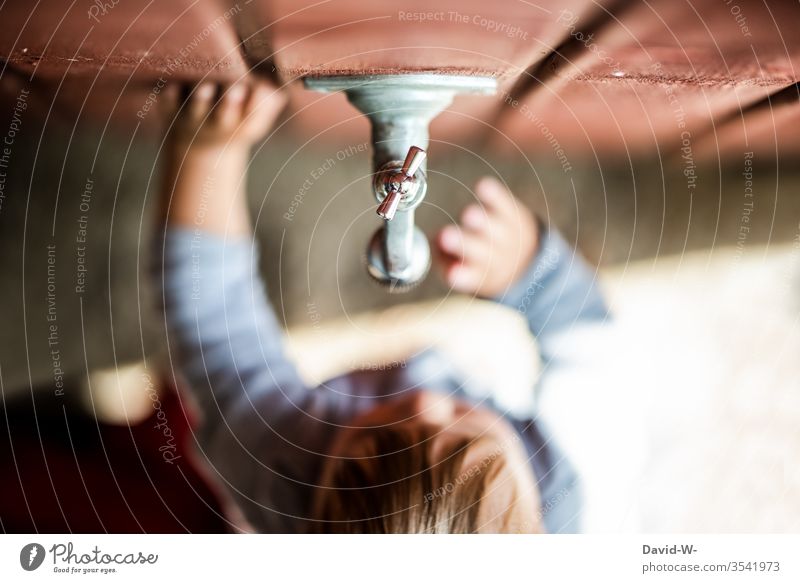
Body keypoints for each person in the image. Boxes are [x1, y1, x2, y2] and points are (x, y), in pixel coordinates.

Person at [153, 76, 608, 534]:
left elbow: (213, 320)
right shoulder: (569, 480)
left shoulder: (284, 475)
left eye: (380, 438)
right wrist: (535, 272)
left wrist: (207, 152)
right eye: (466, 431)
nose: (424, 399)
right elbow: (592, 341)